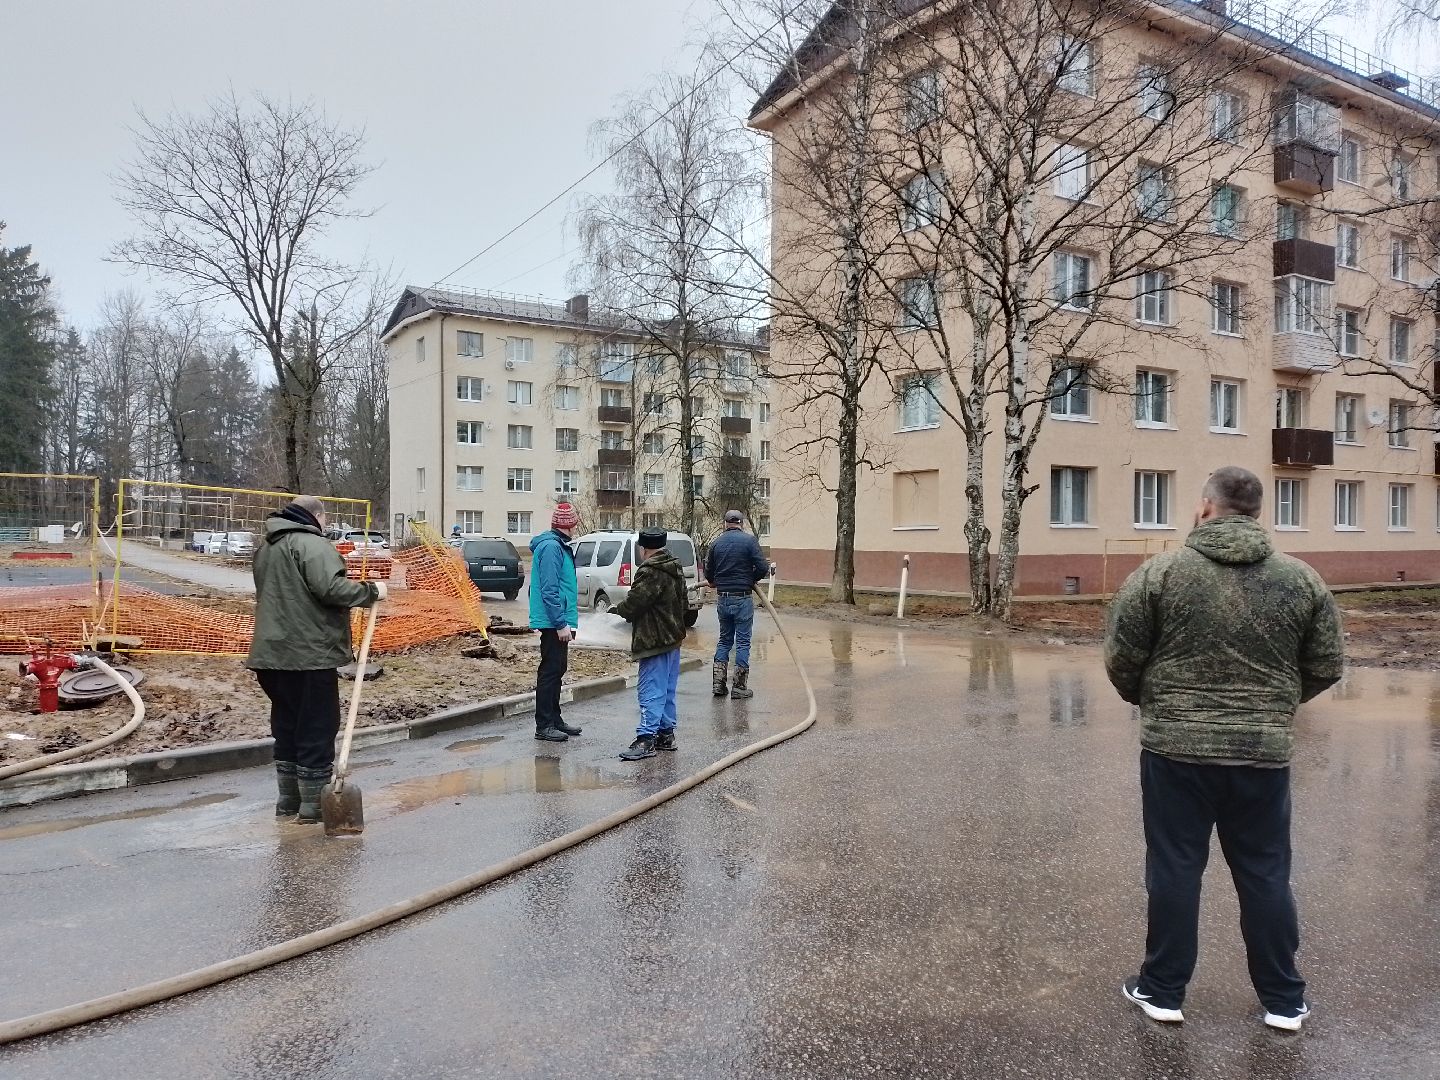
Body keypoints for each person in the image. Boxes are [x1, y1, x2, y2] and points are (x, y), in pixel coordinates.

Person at [1104, 467, 1343, 1032]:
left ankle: (1163, 991)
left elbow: (1121, 658)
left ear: (1205, 507)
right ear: (1257, 511)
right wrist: (1275, 705)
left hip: (1175, 752)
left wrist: (1158, 703)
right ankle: (1284, 1001)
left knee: (1175, 868)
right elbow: (1327, 664)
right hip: (1261, 754)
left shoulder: (1159, 574)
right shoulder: (1301, 580)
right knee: (1264, 873)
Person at [246, 495, 386, 824]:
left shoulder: (268, 547)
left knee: (287, 726)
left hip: (270, 656)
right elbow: (331, 589)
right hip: (308, 654)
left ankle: (288, 801)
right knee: (316, 727)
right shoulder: (312, 544)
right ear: (318, 516)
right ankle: (313, 807)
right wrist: (371, 592)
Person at [614, 528, 689, 761]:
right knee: (666, 690)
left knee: (650, 690)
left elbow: (635, 603)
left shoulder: (650, 571)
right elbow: (684, 604)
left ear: (643, 548)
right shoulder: (675, 566)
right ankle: (666, 734)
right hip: (673, 639)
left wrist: (619, 610)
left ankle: (646, 739)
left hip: (654, 640)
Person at [704, 509, 770, 699]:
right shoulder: (749, 542)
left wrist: (714, 580)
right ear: (741, 523)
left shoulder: (716, 543)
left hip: (723, 598)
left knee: (724, 640)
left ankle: (718, 685)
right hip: (742, 598)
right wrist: (751, 579)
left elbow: (709, 572)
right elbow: (763, 567)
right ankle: (739, 687)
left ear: (725, 523)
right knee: (742, 642)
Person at [529, 503, 581, 742]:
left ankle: (555, 719)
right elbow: (550, 590)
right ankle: (544, 724)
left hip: (558, 619)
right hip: (552, 621)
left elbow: (563, 586)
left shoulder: (558, 545)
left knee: (557, 669)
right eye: (574, 523)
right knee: (550, 671)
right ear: (568, 525)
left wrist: (569, 622)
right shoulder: (551, 547)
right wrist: (561, 623)